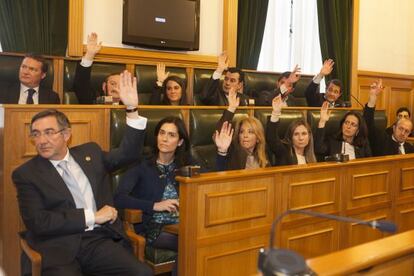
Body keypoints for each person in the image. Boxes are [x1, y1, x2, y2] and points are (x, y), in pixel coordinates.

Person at [12, 71, 152, 276]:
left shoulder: (91, 153)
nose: (41, 140)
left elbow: (128, 155)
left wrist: (131, 109)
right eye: (36, 134)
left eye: (49, 132)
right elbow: (39, 222)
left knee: (142, 273)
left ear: (66, 134)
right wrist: (92, 217)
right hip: (57, 247)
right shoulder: (26, 174)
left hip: (97, 241)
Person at [114, 116, 191, 276]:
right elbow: (119, 198)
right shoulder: (141, 164)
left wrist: (221, 152)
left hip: (183, 226)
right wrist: (155, 205)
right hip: (152, 228)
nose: (164, 138)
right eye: (162, 133)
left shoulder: (184, 166)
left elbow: (208, 188)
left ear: (180, 142)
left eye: (171, 135)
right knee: (189, 244)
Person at [214, 88, 269, 170]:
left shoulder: (264, 156)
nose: (245, 135)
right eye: (241, 132)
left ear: (258, 138)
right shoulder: (233, 151)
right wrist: (231, 108)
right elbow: (220, 132)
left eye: (250, 132)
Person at [364, 79, 414, 156]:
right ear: (394, 128)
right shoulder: (381, 141)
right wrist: (373, 97)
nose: (403, 133)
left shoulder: (410, 149)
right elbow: (367, 123)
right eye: (400, 128)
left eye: (407, 131)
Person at [73, 32, 123, 104]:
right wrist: (89, 55)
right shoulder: (95, 100)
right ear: (104, 86)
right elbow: (81, 84)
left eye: (120, 85)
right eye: (113, 84)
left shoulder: (130, 105)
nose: (116, 88)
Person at [266, 95, 317, 165]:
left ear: (309, 136)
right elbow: (271, 139)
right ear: (290, 137)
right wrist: (275, 113)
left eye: (304, 133)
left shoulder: (310, 156)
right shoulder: (284, 152)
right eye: (296, 134)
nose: (301, 138)